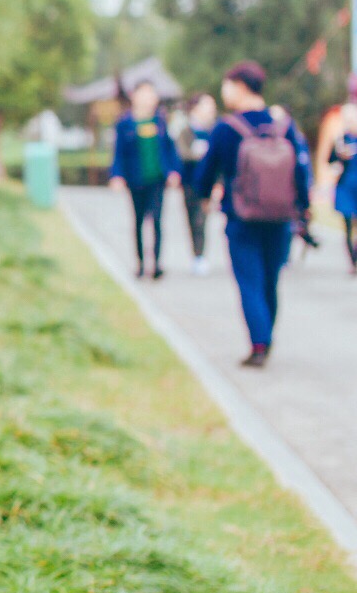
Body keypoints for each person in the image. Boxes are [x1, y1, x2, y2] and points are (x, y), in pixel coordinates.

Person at [194, 61, 312, 369]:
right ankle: (267, 335)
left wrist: (205, 198)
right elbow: (300, 171)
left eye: (226, 86)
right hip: (280, 217)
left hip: (241, 217)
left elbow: (206, 173)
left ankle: (259, 343)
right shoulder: (284, 125)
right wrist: (304, 207)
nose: (225, 92)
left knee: (249, 280)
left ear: (240, 86)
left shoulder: (226, 128)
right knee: (270, 279)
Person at [108, 80, 182, 279]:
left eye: (152, 93)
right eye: (145, 93)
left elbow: (170, 148)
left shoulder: (160, 121)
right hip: (136, 179)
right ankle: (140, 263)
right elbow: (118, 153)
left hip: (157, 179)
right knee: (139, 221)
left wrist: (174, 171)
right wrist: (117, 175)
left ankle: (156, 264)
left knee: (156, 220)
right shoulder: (125, 123)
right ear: (135, 96)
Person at [169, 92, 217, 275]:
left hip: (208, 183)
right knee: (191, 218)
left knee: (201, 219)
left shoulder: (214, 130)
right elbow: (182, 153)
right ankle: (196, 254)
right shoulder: (185, 130)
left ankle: (200, 255)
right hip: (189, 182)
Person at [326, 100, 357, 272]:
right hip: (346, 185)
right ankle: (353, 261)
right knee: (347, 224)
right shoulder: (341, 140)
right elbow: (329, 160)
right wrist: (340, 158)